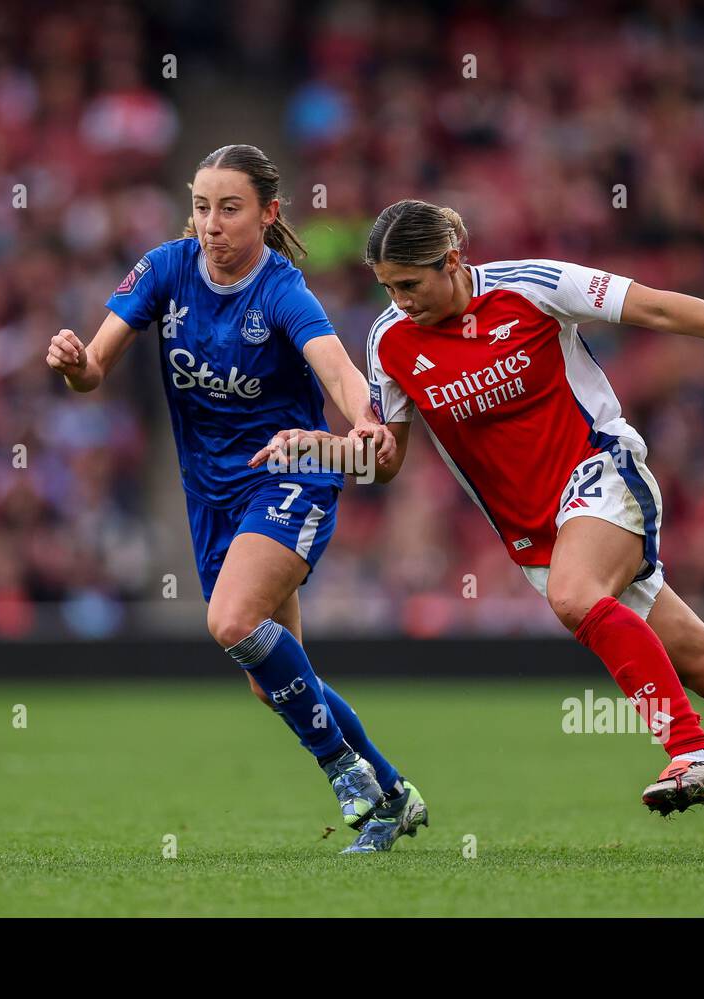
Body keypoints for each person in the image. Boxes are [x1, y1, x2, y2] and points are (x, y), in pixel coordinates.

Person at [254, 198, 704, 852]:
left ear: (451, 261)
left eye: (410, 284)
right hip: (536, 533)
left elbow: (652, 306)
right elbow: (386, 459)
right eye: (388, 287)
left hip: (602, 469)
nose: (400, 300)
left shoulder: (532, 286)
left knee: (574, 596)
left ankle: (690, 753)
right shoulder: (390, 339)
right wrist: (317, 446)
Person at [46, 147, 427, 855]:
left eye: (229, 208)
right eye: (200, 206)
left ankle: (346, 773)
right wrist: (76, 364)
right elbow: (94, 368)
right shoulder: (164, 269)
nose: (211, 224)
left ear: (267, 214)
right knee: (274, 680)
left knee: (229, 619)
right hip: (210, 493)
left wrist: (364, 420)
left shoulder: (283, 292)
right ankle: (395, 791)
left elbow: (338, 370)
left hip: (291, 472)